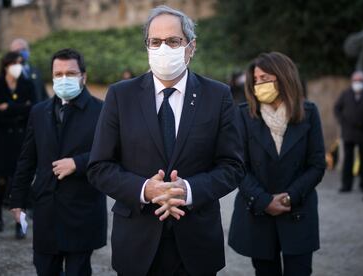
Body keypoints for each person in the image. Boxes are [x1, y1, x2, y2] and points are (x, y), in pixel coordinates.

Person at [87, 5, 245, 276]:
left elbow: (233, 166)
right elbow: (99, 167)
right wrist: (145, 190)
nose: (163, 48)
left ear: (190, 47)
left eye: (173, 41)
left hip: (196, 243)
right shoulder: (120, 96)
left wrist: (189, 190)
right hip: (137, 242)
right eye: (155, 42)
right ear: (147, 46)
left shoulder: (217, 96)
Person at [10, 48, 107, 276]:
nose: (64, 79)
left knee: (77, 271)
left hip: (82, 209)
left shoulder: (102, 111)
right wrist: (17, 199)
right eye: (59, 74)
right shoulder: (39, 111)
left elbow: (113, 153)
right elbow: (27, 159)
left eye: (71, 73)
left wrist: (78, 163)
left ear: (84, 76)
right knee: (44, 269)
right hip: (46, 208)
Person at [228, 52, 326, 276]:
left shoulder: (309, 113)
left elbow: (317, 164)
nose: (259, 84)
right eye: (256, 80)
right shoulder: (244, 115)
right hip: (258, 213)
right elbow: (238, 166)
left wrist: (291, 196)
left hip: (298, 210)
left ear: (283, 77)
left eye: (265, 78)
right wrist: (264, 201)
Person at [0, 51, 36, 237]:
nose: (18, 66)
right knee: (1, 181)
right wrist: (18, 111)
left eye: (21, 62)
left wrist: (8, 107)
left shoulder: (27, 84)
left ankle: (19, 222)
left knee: (19, 181)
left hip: (21, 140)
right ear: (6, 65)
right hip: (0, 141)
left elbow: (32, 109)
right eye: (15, 62)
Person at [334, 71, 363, 193]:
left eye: (360, 80)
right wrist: (342, 121)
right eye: (355, 80)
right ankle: (346, 185)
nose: (357, 83)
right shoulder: (346, 93)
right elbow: (337, 108)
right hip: (348, 131)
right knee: (348, 160)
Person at [10, 38, 49, 102]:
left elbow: (44, 95)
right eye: (17, 51)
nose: (21, 53)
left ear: (29, 51)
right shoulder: (9, 74)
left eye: (23, 49)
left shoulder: (36, 71)